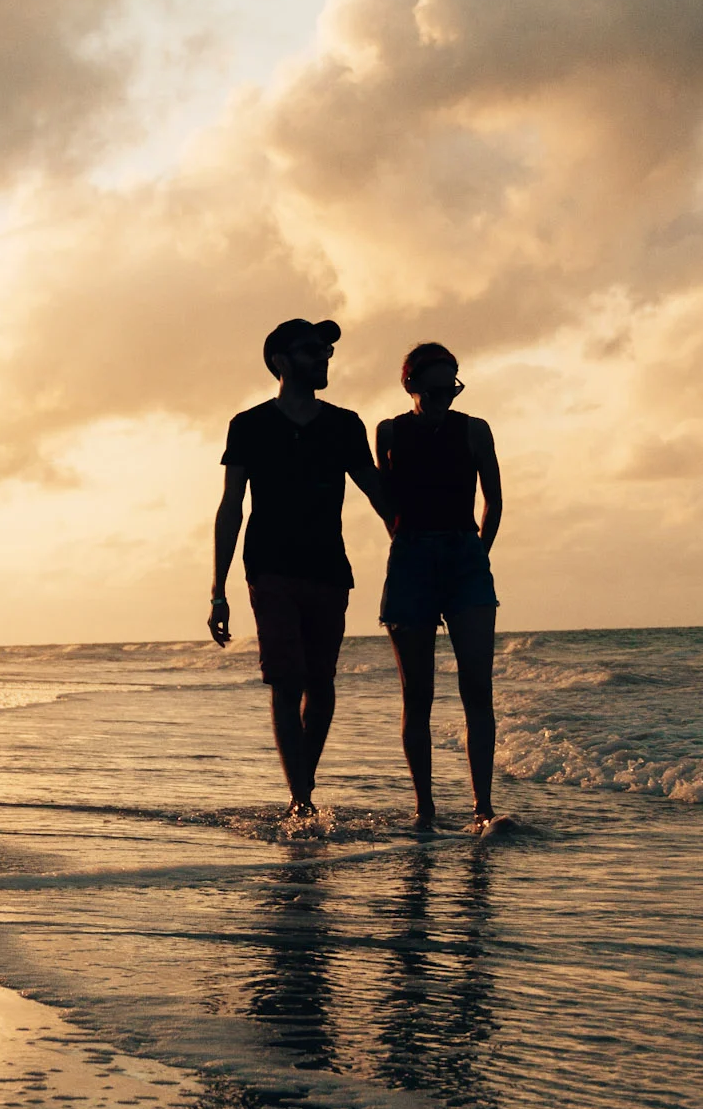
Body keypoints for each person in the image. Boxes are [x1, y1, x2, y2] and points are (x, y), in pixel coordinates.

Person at [209, 318, 391, 819]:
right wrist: (218, 590)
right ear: (281, 362)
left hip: (328, 567)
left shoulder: (345, 424)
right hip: (270, 568)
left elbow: (378, 494)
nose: (324, 358)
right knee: (287, 683)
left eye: (327, 351)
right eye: (312, 350)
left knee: (322, 684)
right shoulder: (249, 425)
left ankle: (301, 787)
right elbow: (231, 507)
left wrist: (412, 545)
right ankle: (302, 799)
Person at [375, 342, 503, 832]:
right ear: (410, 385)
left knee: (477, 688)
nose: (443, 398)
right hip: (411, 558)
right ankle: (424, 809)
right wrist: (402, 539)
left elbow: (493, 499)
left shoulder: (474, 429)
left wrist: (478, 551)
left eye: (451, 388)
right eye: (434, 390)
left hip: (464, 556)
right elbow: (386, 497)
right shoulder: (389, 431)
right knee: (418, 695)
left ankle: (482, 807)